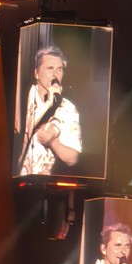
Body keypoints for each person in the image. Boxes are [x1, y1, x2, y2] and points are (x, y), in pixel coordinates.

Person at [18, 47, 82, 176]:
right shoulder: (24, 97)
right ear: (36, 73)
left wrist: (52, 142)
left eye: (59, 69)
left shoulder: (68, 109)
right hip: (18, 178)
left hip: (48, 180)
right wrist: (49, 103)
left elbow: (73, 158)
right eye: (50, 69)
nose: (55, 74)